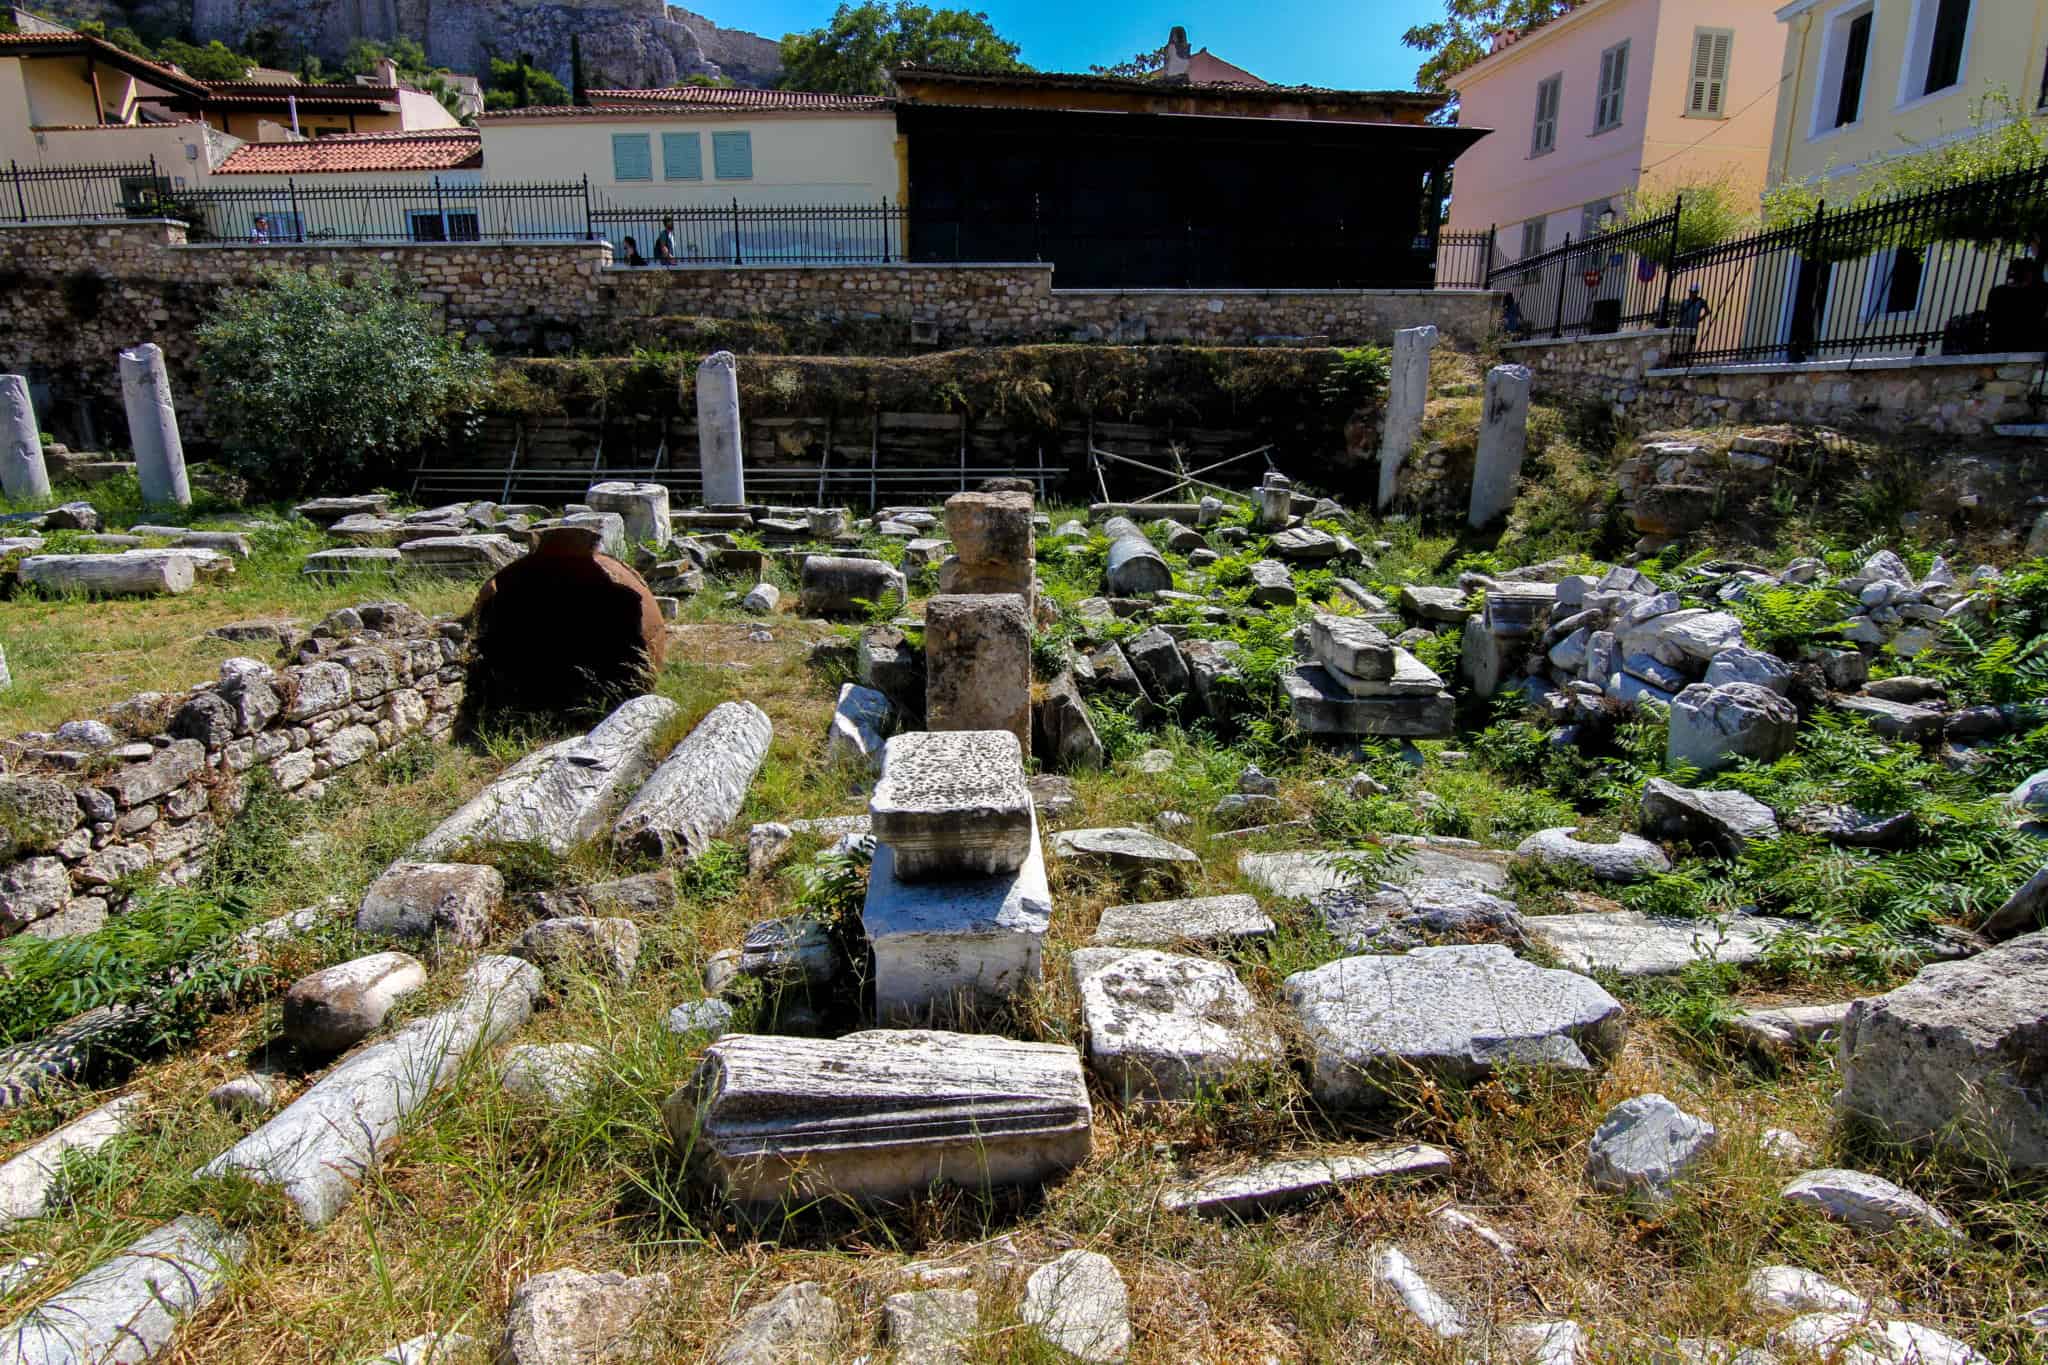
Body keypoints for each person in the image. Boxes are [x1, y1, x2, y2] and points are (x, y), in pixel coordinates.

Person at [1986, 257, 2048, 353]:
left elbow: (1990, 317)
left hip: (1999, 344)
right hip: (2029, 346)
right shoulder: (2039, 292)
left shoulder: (1998, 291)